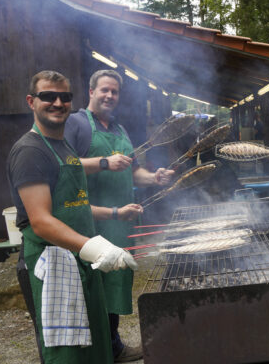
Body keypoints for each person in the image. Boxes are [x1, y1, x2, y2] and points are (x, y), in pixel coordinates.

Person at [7, 70, 138, 363]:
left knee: (94, 343)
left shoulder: (64, 146)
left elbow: (75, 205)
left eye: (64, 97)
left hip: (81, 260)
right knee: (67, 353)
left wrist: (107, 227)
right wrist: (95, 247)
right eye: (47, 96)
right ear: (31, 101)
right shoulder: (30, 151)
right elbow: (40, 220)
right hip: (50, 264)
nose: (57, 102)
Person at [64, 69, 174, 363]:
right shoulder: (76, 124)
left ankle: (113, 346)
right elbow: (65, 166)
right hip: (89, 224)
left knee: (113, 287)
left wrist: (154, 177)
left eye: (114, 92)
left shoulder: (119, 130)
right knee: (91, 291)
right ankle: (95, 352)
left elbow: (133, 171)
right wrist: (103, 162)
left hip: (119, 224)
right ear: (91, 91)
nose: (110, 96)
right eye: (104, 90)